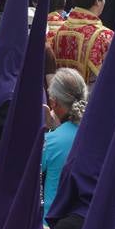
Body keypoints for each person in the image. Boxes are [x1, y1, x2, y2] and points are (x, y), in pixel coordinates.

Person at [48, 0, 112, 84]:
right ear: (97, 2)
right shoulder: (104, 35)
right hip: (90, 96)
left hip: (60, 93)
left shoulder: (57, 30)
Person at [41, 67, 85, 215]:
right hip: (85, 217)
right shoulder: (95, 135)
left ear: (53, 103)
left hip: (52, 219)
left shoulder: (51, 140)